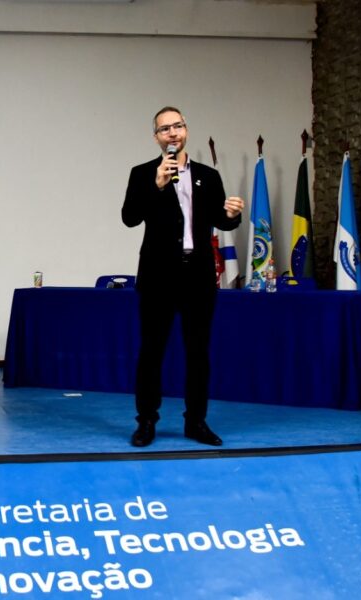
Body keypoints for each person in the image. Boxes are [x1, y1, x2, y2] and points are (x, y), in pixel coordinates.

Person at [121, 106, 245, 447]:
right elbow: (129, 217)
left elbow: (221, 220)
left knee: (198, 352)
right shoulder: (142, 173)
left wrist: (232, 215)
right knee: (151, 351)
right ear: (156, 138)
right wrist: (157, 185)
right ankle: (146, 421)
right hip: (158, 275)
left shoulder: (209, 175)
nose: (172, 133)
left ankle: (196, 421)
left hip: (198, 275)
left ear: (186, 130)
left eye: (177, 126)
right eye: (165, 129)